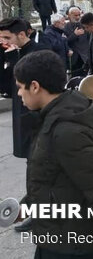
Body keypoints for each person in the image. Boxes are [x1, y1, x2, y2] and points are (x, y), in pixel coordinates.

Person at [13, 50, 93, 259]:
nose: (18, 94)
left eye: (19, 88)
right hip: (54, 237)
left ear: (34, 86)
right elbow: (48, 178)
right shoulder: (50, 118)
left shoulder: (67, 130)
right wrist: (25, 207)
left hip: (74, 245)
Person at [0, 18, 49, 159]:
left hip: (37, 113)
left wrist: (14, 61)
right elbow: (5, 87)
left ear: (21, 34)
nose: (4, 41)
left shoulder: (40, 51)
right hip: (20, 112)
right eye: (1, 38)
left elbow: (32, 84)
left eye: (7, 37)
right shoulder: (10, 52)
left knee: (40, 157)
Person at [64, 7, 89, 78]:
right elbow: (66, 42)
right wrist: (75, 35)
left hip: (85, 57)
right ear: (69, 15)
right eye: (75, 15)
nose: (78, 17)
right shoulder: (66, 27)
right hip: (74, 58)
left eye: (79, 15)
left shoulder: (84, 25)